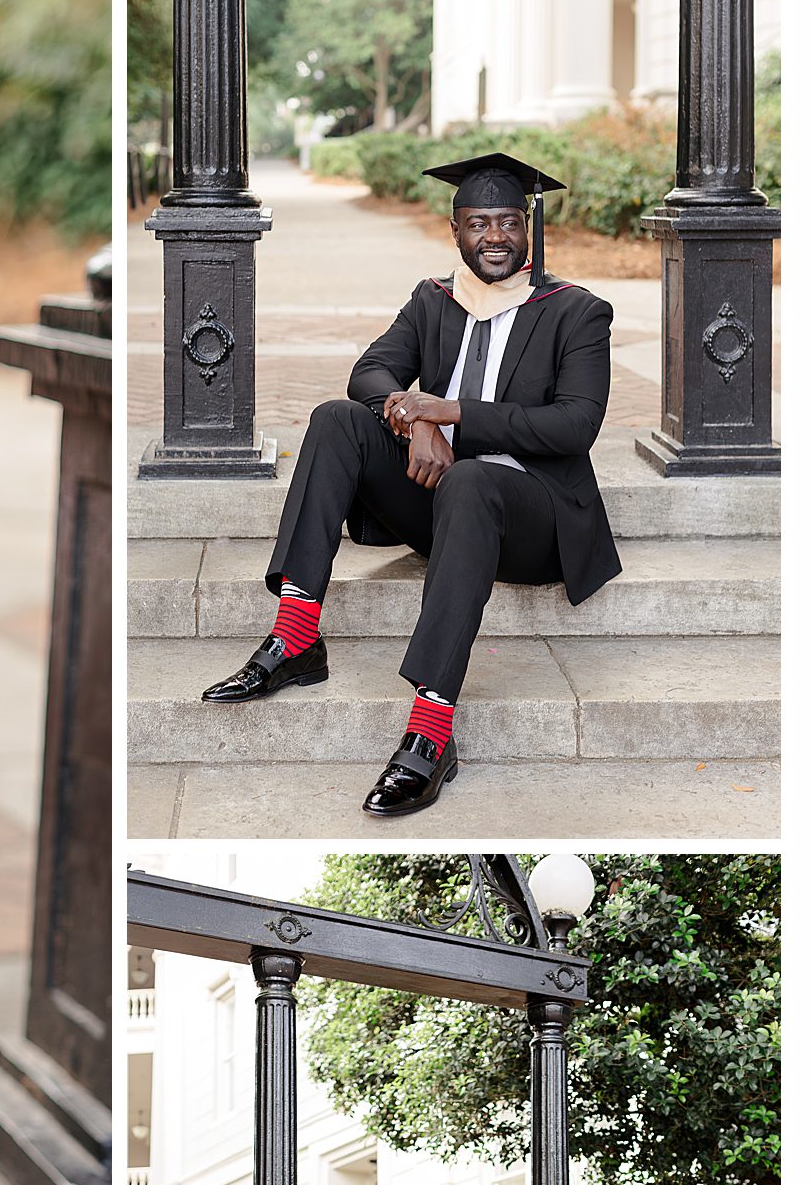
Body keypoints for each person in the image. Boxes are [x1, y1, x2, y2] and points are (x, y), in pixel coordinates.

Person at [200, 152, 620, 819]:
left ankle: (430, 731)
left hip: (532, 513)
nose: (494, 237)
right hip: (442, 499)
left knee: (475, 480)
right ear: (455, 231)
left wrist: (448, 411)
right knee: (338, 421)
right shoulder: (434, 298)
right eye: (478, 223)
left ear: (528, 230)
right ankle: (297, 635)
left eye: (509, 222)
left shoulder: (576, 312)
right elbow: (369, 373)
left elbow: (575, 426)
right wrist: (409, 417)